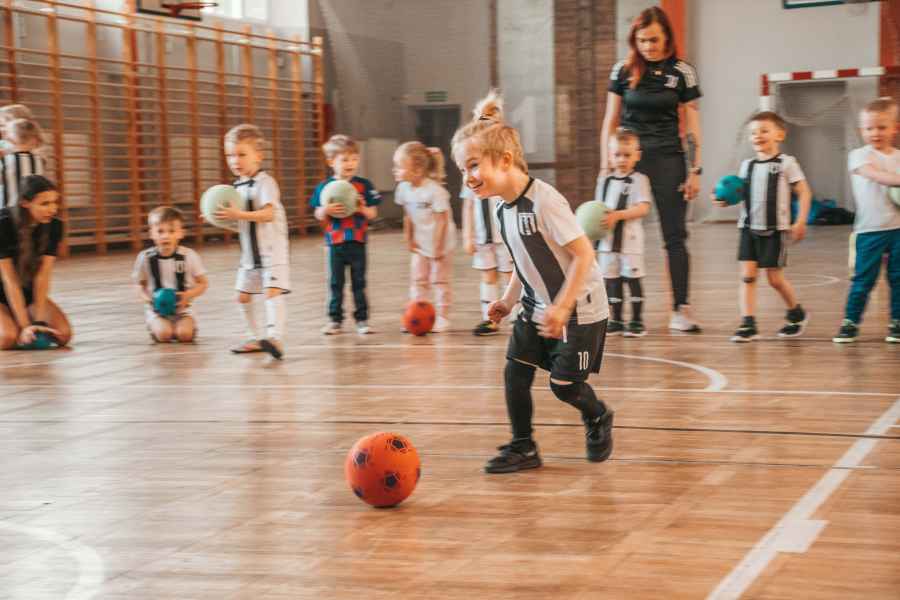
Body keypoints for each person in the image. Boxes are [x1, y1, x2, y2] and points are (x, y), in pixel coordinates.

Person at [451, 91, 614, 474]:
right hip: (536, 305)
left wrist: (563, 307)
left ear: (505, 160)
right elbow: (524, 263)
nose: (467, 178)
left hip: (579, 309)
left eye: (472, 166)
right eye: (462, 170)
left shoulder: (545, 201)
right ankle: (523, 447)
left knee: (564, 386)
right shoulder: (501, 207)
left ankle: (597, 415)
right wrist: (508, 301)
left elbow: (584, 255)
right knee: (515, 371)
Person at [601, 6, 702, 332]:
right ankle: (614, 312)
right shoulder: (621, 71)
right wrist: (605, 166)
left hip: (668, 160)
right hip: (627, 162)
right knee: (612, 234)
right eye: (642, 40)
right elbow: (610, 120)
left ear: (667, 38)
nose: (648, 46)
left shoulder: (682, 72)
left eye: (654, 40)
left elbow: (692, 124)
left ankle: (681, 309)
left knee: (675, 236)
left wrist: (695, 169)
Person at [713, 111, 811, 342]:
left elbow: (804, 192)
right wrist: (723, 200)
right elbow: (739, 194)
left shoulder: (787, 163)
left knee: (774, 279)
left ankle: (796, 314)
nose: (757, 136)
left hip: (775, 230)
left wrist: (800, 221)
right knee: (747, 277)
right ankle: (748, 324)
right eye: (753, 132)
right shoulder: (746, 166)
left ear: (780, 135)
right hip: (748, 228)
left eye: (764, 131)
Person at [216, 124, 290, 359]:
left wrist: (237, 214)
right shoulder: (236, 187)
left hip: (272, 251)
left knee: (272, 292)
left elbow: (268, 214)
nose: (234, 161)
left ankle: (275, 338)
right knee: (242, 296)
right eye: (229, 155)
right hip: (249, 255)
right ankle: (253, 338)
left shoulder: (265, 183)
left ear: (258, 155)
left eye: (241, 154)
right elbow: (241, 223)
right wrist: (219, 218)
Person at [833, 98, 900, 343]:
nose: (875, 133)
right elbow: (875, 175)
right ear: (861, 130)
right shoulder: (859, 156)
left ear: (895, 128)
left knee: (898, 279)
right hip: (869, 231)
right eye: (869, 128)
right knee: (863, 280)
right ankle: (850, 322)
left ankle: (897, 323)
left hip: (898, 230)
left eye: (881, 127)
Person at [309, 134, 381, 335]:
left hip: (357, 241)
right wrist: (326, 210)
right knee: (335, 283)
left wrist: (361, 208)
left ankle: (362, 320)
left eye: (354, 159)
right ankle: (335, 320)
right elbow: (317, 213)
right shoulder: (324, 187)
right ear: (331, 162)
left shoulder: (364, 185)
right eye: (345, 159)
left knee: (359, 282)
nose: (350, 164)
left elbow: (373, 213)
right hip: (335, 243)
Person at [460, 91, 514, 336]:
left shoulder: (505, 165)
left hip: (505, 235)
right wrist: (468, 235)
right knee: (488, 276)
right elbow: (468, 204)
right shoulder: (470, 167)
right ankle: (490, 319)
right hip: (484, 237)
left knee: (509, 275)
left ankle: (518, 316)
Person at [0, 175, 71, 349]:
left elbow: (42, 276)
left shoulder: (55, 226)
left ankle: (16, 319)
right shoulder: (3, 224)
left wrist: (38, 322)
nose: (52, 209)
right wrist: (26, 326)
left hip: (27, 293)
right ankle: (12, 322)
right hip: (3, 292)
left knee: (63, 335)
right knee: (7, 338)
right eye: (44, 204)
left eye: (55, 202)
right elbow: (10, 281)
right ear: (25, 203)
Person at [594, 127, 652, 337]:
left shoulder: (639, 180)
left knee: (632, 279)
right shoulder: (604, 181)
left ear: (637, 156)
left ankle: (636, 320)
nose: (621, 159)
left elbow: (643, 208)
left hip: (630, 242)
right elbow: (597, 210)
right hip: (607, 243)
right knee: (612, 280)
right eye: (617, 154)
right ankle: (616, 319)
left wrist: (618, 215)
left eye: (627, 155)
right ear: (610, 155)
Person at [393, 141, 456, 333]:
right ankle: (416, 315)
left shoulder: (436, 191)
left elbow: (442, 222)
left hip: (441, 242)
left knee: (439, 280)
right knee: (418, 279)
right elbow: (407, 216)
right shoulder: (403, 189)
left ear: (417, 170)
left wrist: (437, 247)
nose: (395, 170)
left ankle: (442, 317)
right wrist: (409, 238)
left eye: (399, 166)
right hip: (421, 243)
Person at [133, 206, 209, 343]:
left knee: (184, 335)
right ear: (151, 234)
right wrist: (149, 300)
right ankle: (157, 327)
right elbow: (139, 285)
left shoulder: (189, 255)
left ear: (181, 233)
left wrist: (188, 295)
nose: (165, 236)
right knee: (164, 335)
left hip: (183, 309)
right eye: (160, 231)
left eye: (171, 231)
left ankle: (186, 326)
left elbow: (203, 283)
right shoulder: (145, 257)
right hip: (157, 309)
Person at [0, 118, 45, 208]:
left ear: (11, 139)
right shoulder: (39, 160)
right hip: (31, 210)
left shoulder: (6, 160)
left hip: (8, 209)